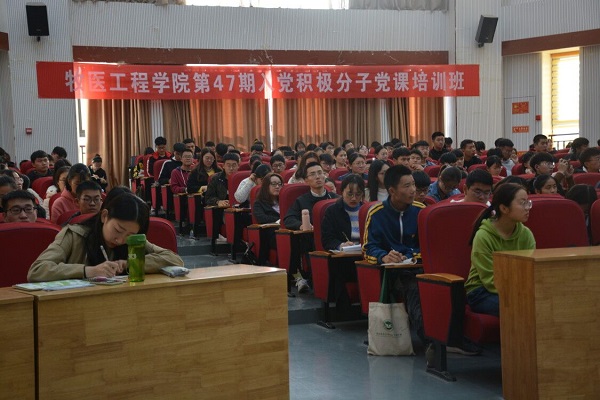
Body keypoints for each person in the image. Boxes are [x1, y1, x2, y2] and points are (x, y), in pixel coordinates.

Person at [28, 192, 183, 282]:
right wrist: (88, 271)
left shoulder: (132, 240)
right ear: (104, 216)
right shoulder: (74, 235)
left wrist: (130, 263)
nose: (121, 240)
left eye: (129, 235)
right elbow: (37, 270)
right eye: (118, 230)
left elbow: (174, 260)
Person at [363, 165, 426, 349]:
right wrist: (384, 257)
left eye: (413, 184)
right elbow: (368, 248)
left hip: (418, 265)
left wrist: (410, 255)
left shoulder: (421, 211)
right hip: (392, 273)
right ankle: (431, 341)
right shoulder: (376, 213)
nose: (413, 190)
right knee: (413, 287)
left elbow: (429, 246)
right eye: (407, 186)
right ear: (392, 191)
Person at [466, 183, 536, 317]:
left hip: (516, 289)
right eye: (522, 203)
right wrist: (521, 293)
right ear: (504, 208)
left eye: (528, 202)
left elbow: (530, 270)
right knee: (523, 307)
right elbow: (490, 280)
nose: (528, 207)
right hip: (481, 292)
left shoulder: (526, 234)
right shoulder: (484, 236)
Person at [284, 162, 338, 293]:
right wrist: (302, 225)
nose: (318, 177)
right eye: (313, 174)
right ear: (306, 180)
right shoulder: (301, 201)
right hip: (311, 238)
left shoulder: (335, 199)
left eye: (320, 173)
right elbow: (289, 219)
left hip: (334, 238)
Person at [321, 174, 364, 251]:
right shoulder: (332, 211)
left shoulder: (367, 210)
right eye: (350, 194)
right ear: (342, 192)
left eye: (358, 194)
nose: (354, 198)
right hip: (344, 254)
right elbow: (327, 240)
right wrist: (341, 245)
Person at [252, 172, 284, 265]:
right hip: (271, 234)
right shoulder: (259, 203)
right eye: (273, 184)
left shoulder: (285, 201)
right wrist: (279, 220)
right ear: (266, 186)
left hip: (286, 230)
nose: (277, 187)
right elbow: (261, 218)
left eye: (279, 184)